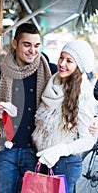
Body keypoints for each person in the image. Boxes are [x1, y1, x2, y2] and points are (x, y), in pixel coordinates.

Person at [0, 23, 56, 192]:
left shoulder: (49, 71)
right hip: (6, 151)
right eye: (27, 44)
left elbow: (69, 99)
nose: (32, 50)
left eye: (37, 45)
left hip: (35, 151)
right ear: (15, 44)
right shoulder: (0, 72)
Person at [32, 40, 97, 193]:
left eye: (69, 61)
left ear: (78, 66)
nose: (62, 63)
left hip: (64, 162)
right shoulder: (53, 83)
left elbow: (87, 141)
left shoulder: (82, 94)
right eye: (61, 57)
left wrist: (57, 150)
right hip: (44, 158)